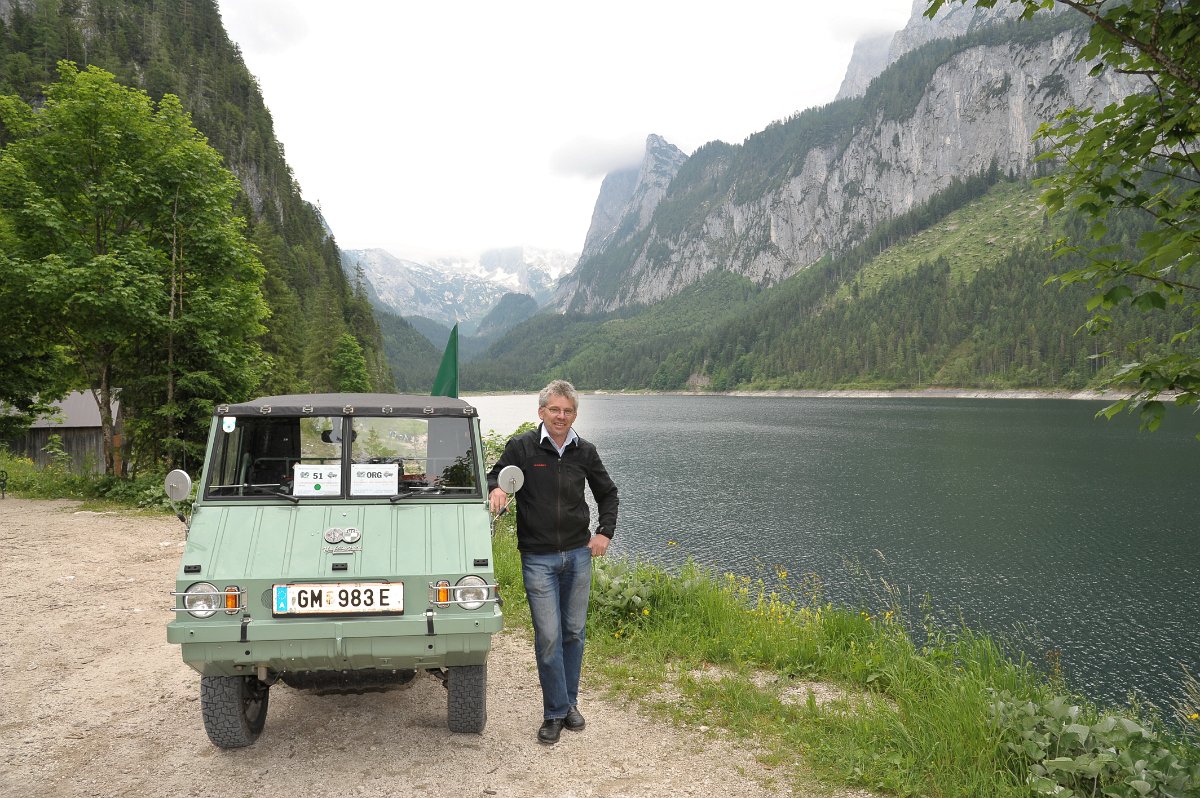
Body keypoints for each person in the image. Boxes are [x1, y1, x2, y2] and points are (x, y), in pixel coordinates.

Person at [487, 380, 619, 744]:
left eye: (568, 411)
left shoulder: (585, 451)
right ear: (541, 411)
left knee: (573, 633)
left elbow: (608, 493)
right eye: (554, 409)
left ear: (575, 414)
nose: (561, 416)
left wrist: (604, 532)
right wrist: (497, 488)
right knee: (548, 637)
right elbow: (495, 476)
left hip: (578, 554)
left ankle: (568, 703)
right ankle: (555, 712)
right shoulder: (523, 447)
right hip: (538, 557)